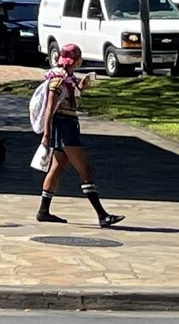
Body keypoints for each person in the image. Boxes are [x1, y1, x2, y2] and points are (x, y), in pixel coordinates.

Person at [36, 45, 122, 227]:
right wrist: (46, 134)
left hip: (67, 125)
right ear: (74, 60)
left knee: (57, 169)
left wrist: (81, 87)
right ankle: (102, 215)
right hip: (65, 127)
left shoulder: (68, 79)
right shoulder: (58, 81)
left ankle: (44, 211)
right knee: (85, 169)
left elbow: (69, 100)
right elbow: (50, 109)